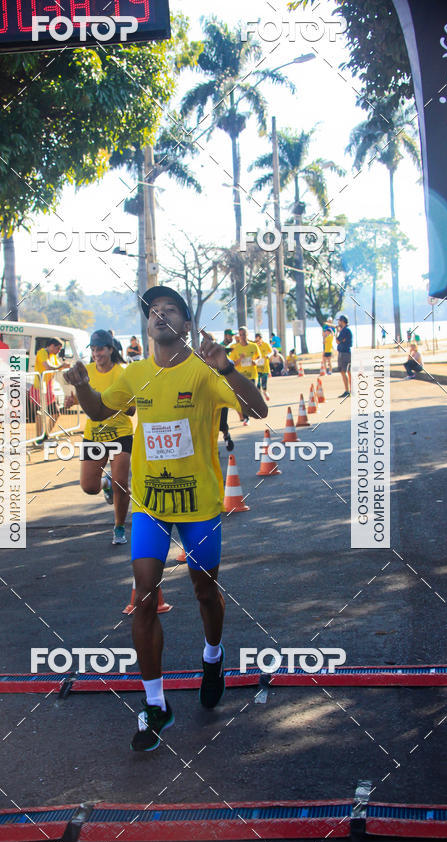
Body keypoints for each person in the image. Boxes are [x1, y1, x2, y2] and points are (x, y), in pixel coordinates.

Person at [65, 285, 267, 752]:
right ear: (147, 324)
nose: (160, 316)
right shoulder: (134, 373)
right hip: (150, 506)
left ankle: (212, 657)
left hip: (200, 506)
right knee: (144, 597)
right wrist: (80, 385)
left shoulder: (203, 371)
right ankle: (157, 705)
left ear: (186, 324)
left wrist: (229, 369)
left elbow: (258, 410)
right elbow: (100, 410)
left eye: (170, 310)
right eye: (154, 311)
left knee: (204, 590)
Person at [80, 330, 135, 546]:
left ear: (111, 349)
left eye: (100, 349)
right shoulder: (86, 372)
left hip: (120, 434)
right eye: (93, 349)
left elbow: (131, 410)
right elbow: (81, 398)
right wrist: (73, 401)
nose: (96, 353)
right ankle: (105, 483)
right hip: (94, 436)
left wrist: (110, 405)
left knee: (121, 483)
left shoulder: (123, 373)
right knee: (89, 487)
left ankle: (119, 526)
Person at [32, 338, 70, 438]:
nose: (58, 351)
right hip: (39, 388)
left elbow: (58, 366)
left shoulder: (53, 356)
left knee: (55, 413)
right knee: (40, 414)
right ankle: (39, 437)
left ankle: (45, 435)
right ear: (52, 345)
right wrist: (62, 366)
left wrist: (65, 366)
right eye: (58, 348)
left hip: (48, 390)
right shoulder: (42, 353)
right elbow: (48, 367)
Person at [228, 326, 261, 426]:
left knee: (251, 396)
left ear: (247, 335)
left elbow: (259, 357)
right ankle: (246, 418)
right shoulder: (235, 348)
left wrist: (255, 361)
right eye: (241, 334)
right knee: (242, 397)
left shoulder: (253, 346)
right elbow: (232, 363)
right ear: (239, 336)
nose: (242, 336)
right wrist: (240, 359)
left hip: (251, 375)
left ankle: (252, 410)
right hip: (240, 376)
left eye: (244, 334)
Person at [336, 315, 352, 397]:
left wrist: (337, 332)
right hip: (348, 352)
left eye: (339, 321)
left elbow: (337, 341)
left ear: (342, 321)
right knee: (349, 372)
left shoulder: (344, 331)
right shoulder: (347, 330)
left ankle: (347, 390)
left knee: (343, 371)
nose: (338, 322)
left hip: (344, 353)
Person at [254, 333, 272, 402]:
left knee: (264, 382)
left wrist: (269, 355)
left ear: (261, 339)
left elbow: (271, 351)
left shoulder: (266, 344)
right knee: (258, 383)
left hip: (265, 367)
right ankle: (259, 397)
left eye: (259, 339)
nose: (258, 341)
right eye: (257, 340)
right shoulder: (254, 346)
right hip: (257, 368)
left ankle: (265, 392)